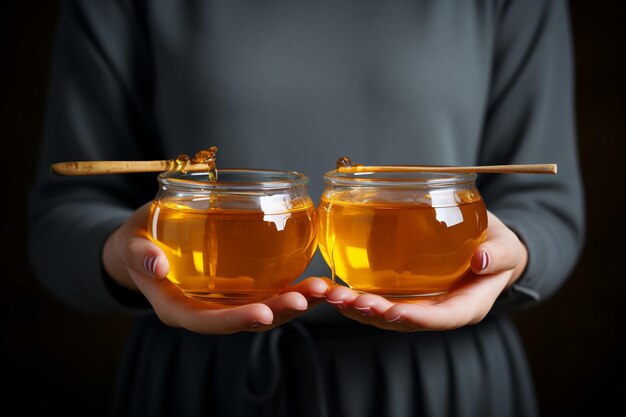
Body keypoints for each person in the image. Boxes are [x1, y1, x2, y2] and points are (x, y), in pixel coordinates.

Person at [28, 1, 584, 416]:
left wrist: (515, 253)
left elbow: (547, 207)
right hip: (201, 386)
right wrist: (120, 253)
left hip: (444, 388)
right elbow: (64, 214)